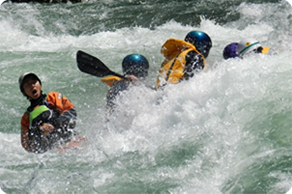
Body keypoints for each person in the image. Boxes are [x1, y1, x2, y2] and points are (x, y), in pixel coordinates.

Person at [19, 72, 78, 153]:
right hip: (50, 152)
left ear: (39, 84)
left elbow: (71, 112)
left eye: (34, 82)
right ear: (24, 92)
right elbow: (28, 146)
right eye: (27, 85)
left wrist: (53, 124)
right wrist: (39, 129)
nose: (32, 85)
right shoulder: (26, 118)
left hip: (69, 141)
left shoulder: (53, 97)